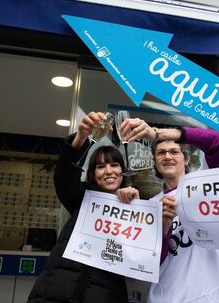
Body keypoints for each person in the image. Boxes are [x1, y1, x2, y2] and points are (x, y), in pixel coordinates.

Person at [119, 119, 219, 303]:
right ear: (155, 161)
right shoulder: (150, 205)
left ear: (187, 158)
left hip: (213, 294)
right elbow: (146, 264)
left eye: (174, 151)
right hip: (166, 296)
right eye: (161, 153)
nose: (167, 156)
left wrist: (158, 134)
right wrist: (164, 229)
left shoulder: (204, 184)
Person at [28, 112, 139, 303]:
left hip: (106, 294)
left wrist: (135, 208)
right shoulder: (81, 198)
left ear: (123, 171)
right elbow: (64, 175)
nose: (109, 171)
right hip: (55, 292)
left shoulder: (135, 205)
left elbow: (139, 256)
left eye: (114, 165)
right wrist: (81, 137)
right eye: (100, 166)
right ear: (92, 174)